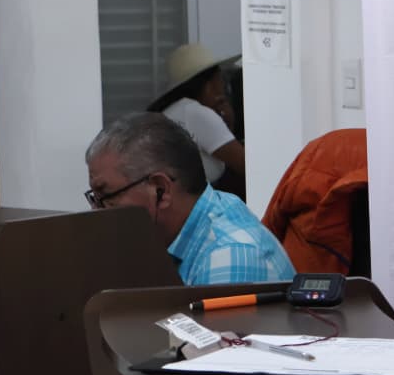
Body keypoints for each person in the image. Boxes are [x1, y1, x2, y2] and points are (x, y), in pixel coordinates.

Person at [85, 112, 294, 286]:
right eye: (94, 198)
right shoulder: (186, 226)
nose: (97, 212)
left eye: (106, 196)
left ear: (160, 189)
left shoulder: (230, 255)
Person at [262, 128, 370, 276]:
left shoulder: (323, 149)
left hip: (304, 276)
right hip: (309, 277)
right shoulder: (323, 152)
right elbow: (270, 231)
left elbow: (270, 230)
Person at [149, 43, 245, 199]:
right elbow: (245, 165)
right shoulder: (197, 114)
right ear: (209, 85)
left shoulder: (178, 110)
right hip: (196, 201)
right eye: (221, 80)